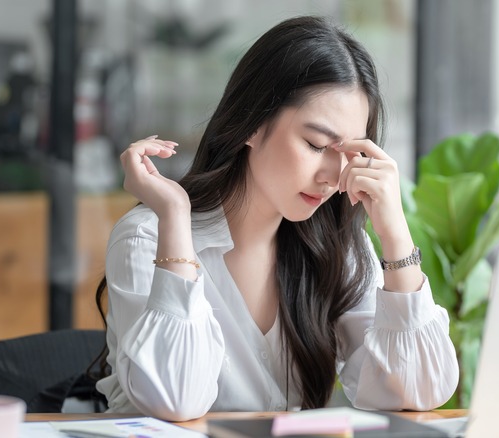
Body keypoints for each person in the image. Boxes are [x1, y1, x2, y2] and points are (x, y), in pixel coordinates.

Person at [93, 15, 459, 421]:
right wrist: (175, 216)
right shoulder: (148, 237)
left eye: (350, 153)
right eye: (316, 144)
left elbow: (418, 391)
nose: (334, 176)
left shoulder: (338, 248)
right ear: (252, 124)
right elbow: (174, 400)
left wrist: (394, 235)